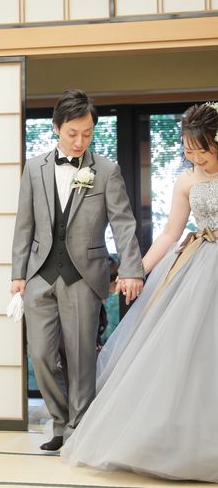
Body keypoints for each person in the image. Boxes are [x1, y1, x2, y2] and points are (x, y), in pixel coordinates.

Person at [62, 103, 218, 482]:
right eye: (188, 150)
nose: (195, 157)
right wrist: (137, 269)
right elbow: (170, 233)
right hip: (200, 266)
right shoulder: (185, 181)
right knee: (186, 355)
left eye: (202, 150)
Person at [11, 89, 143, 451]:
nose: (80, 141)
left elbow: (123, 223)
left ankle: (77, 429)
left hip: (84, 276)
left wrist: (131, 269)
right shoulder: (34, 168)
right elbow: (24, 224)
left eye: (87, 133)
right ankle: (59, 419)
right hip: (39, 275)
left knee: (82, 357)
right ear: (57, 128)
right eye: (73, 133)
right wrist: (18, 274)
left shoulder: (107, 171)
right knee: (40, 354)